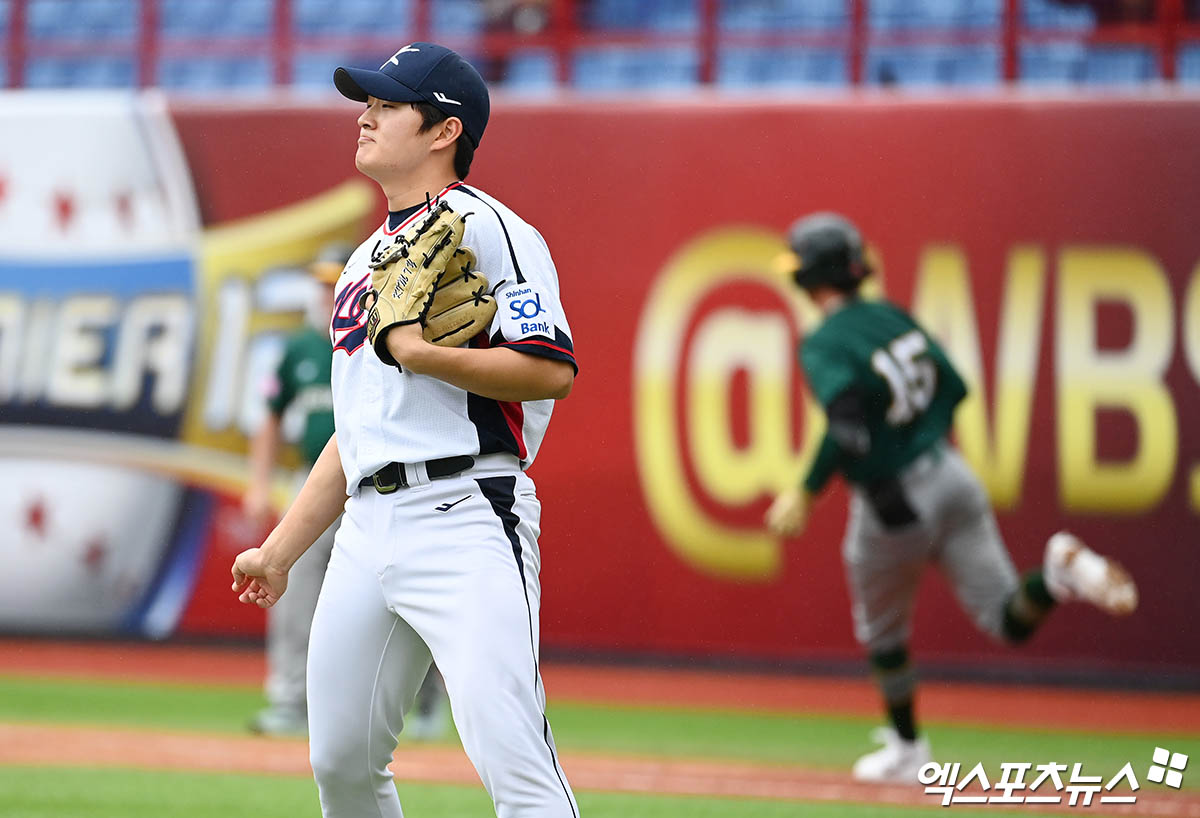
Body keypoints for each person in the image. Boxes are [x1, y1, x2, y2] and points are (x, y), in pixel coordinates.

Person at [230, 42, 579, 818]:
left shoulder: (490, 228)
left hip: (465, 511)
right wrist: (282, 549)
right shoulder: (361, 261)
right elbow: (356, 427)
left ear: (443, 129)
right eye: (369, 101)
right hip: (366, 525)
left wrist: (419, 352)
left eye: (388, 104)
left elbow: (552, 368)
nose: (367, 114)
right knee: (342, 763)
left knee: (511, 755)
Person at [765, 212, 1138, 784]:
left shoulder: (825, 340)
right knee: (1008, 617)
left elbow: (847, 430)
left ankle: (909, 748)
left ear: (811, 274)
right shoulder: (890, 316)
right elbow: (955, 385)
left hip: (893, 502)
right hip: (951, 473)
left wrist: (804, 490)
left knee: (883, 634)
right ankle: (1062, 576)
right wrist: (919, 435)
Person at [242, 243, 450, 741]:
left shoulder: (388, 337)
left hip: (383, 483)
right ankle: (292, 700)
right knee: (289, 593)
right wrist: (258, 481)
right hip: (313, 487)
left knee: (407, 593)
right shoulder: (300, 348)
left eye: (332, 281)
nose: (323, 292)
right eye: (318, 282)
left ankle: (425, 705)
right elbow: (270, 417)